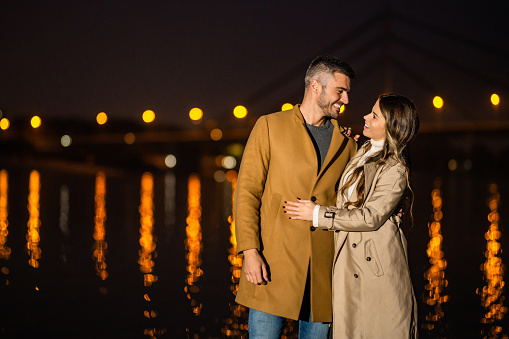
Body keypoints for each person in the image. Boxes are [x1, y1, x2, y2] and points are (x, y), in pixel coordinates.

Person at [233, 55, 357, 338]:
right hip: (271, 266)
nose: (346, 99)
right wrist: (250, 252)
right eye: (340, 91)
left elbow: (355, 200)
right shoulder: (269, 126)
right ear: (316, 86)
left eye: (348, 92)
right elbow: (247, 193)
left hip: (323, 273)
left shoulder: (348, 143)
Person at [284, 94, 419, 338]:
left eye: (375, 115)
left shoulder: (395, 167)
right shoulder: (364, 149)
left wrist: (317, 214)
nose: (365, 116)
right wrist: (341, 140)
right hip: (351, 261)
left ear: (392, 126)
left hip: (375, 269)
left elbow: (371, 217)